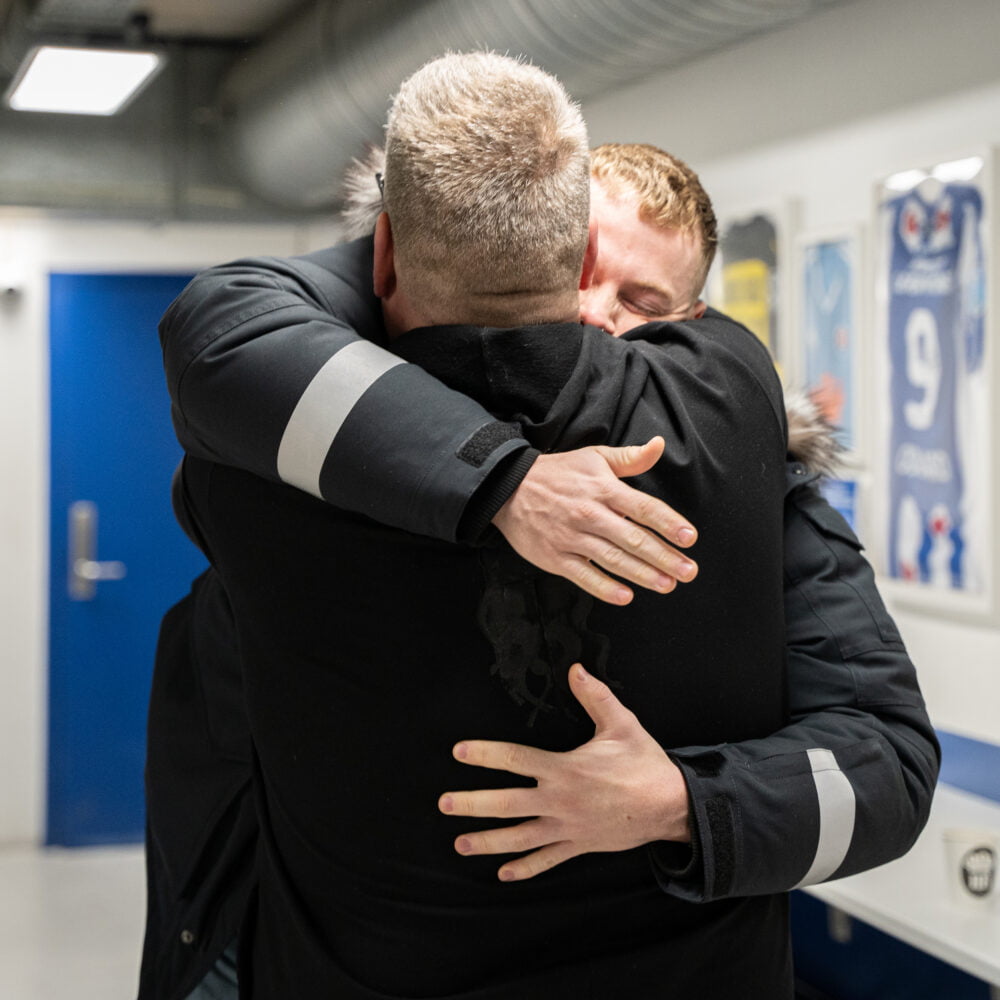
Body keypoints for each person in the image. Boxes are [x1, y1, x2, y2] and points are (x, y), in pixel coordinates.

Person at [139, 69, 939, 1000]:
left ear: (696, 329)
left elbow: (885, 766)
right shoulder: (308, 432)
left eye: (641, 306)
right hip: (246, 904)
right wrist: (507, 480)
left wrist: (684, 803)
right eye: (578, 268)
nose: (595, 316)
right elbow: (235, 332)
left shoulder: (741, 471)